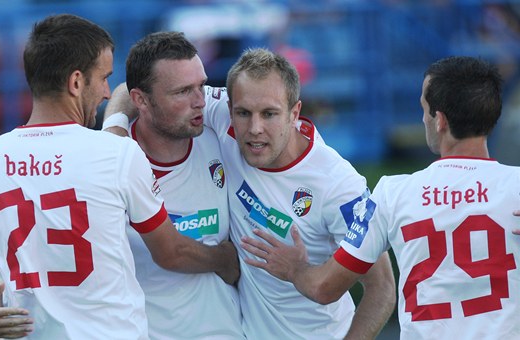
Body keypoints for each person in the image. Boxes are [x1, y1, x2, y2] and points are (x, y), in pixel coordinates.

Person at [0, 14, 238, 339]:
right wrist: (226, 258)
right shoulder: (117, 153)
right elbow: (170, 252)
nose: (107, 91)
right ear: (76, 82)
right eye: (103, 77)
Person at [104, 47, 396, 339]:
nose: (255, 129)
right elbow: (128, 90)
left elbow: (382, 287)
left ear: (295, 112)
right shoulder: (219, 114)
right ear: (230, 108)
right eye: (244, 113)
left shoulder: (339, 185)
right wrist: (113, 135)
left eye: (270, 114)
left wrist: (299, 270)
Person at [240, 56, 520, 339]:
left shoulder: (392, 193)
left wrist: (295, 269)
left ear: (440, 121)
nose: (423, 117)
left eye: (424, 109)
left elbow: (324, 287)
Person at [107, 31, 243, 339]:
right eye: (182, 92)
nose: (199, 101)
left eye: (201, 85)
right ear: (140, 99)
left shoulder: (220, 127)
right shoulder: (108, 164)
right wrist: (225, 260)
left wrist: (111, 123)